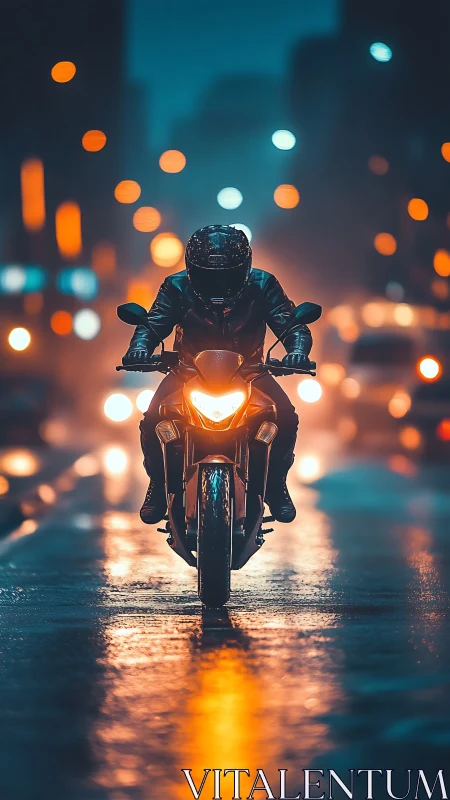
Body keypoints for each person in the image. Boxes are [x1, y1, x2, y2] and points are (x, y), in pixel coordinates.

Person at [122, 224, 314, 525]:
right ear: (191, 268)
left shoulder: (263, 284)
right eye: (208, 275)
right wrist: (139, 348)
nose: (218, 282)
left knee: (286, 416)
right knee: (152, 419)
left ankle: (276, 486)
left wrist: (298, 350)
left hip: (250, 372)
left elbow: (290, 324)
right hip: (187, 372)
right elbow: (153, 323)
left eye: (227, 275)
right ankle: (158, 485)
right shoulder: (175, 286)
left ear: (245, 267)